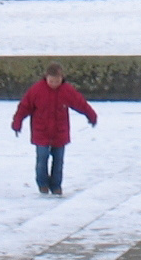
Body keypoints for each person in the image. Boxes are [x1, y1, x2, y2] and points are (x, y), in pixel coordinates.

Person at [12, 62, 98, 196]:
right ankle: (43, 184)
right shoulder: (36, 90)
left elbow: (80, 103)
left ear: (62, 78)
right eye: (51, 81)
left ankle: (56, 186)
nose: (54, 84)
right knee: (42, 160)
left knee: (58, 162)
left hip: (60, 133)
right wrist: (17, 122)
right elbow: (24, 107)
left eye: (57, 81)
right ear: (46, 77)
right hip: (41, 132)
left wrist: (91, 115)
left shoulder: (66, 90)